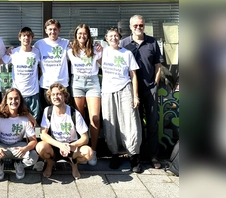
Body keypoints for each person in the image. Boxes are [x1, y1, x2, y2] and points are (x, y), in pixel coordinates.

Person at [120, 15, 164, 169]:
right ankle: (136, 155)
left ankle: (153, 155)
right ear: (130, 26)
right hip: (130, 91)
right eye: (135, 25)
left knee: (152, 123)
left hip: (149, 88)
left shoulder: (152, 42)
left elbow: (158, 65)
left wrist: (155, 85)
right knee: (134, 124)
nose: (138, 28)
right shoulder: (124, 43)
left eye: (141, 25)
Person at [101, 27, 142, 173]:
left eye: (116, 36)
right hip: (107, 91)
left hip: (125, 89)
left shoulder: (127, 53)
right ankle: (115, 154)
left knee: (130, 122)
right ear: (106, 38)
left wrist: (135, 95)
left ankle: (134, 156)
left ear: (120, 37)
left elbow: (133, 75)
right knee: (111, 123)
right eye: (110, 36)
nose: (113, 38)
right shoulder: (102, 52)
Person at [35, 83, 93, 180]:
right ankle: (50, 163)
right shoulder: (47, 111)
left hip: (71, 146)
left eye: (59, 94)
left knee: (89, 153)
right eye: (53, 95)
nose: (56, 97)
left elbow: (85, 138)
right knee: (40, 147)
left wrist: (70, 146)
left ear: (64, 96)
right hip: (55, 146)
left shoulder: (74, 113)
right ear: (50, 97)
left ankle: (74, 163)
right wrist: (60, 145)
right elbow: (43, 134)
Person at [67, 24, 102, 166]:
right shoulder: (70, 50)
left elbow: (105, 62)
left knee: (95, 118)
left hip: (93, 82)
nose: (82, 36)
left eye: (85, 33)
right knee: (79, 118)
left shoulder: (96, 49)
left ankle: (93, 151)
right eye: (79, 34)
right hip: (77, 82)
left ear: (89, 35)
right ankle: (81, 149)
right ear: (76, 35)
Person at [0, 88, 39, 180]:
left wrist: (25, 148)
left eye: (16, 98)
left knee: (34, 156)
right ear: (6, 100)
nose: (13, 101)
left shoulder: (25, 118)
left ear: (20, 100)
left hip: (18, 147)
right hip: (2, 146)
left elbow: (34, 141)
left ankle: (19, 165)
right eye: (10, 98)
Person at [1, 27, 41, 122]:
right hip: (18, 95)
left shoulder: (37, 52)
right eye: (24, 36)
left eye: (29, 36)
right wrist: (5, 52)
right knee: (19, 121)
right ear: (19, 38)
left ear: (32, 38)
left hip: (33, 93)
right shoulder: (13, 52)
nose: (26, 38)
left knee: (34, 122)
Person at [34, 19, 70, 110]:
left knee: (63, 113)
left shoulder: (66, 43)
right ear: (46, 30)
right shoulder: (39, 44)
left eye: (55, 29)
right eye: (50, 29)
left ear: (59, 30)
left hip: (62, 85)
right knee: (47, 113)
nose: (52, 32)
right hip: (46, 85)